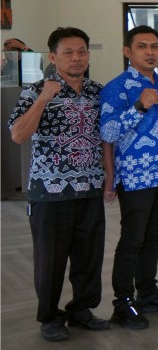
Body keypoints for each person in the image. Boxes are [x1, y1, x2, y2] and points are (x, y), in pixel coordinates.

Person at [8, 27, 110, 342]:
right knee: (50, 261)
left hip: (90, 187)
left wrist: (110, 176)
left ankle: (82, 310)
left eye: (81, 51)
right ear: (53, 57)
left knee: (89, 257)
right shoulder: (35, 90)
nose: (76, 58)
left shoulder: (97, 91)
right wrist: (43, 99)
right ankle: (50, 317)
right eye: (68, 52)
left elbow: (107, 137)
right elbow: (18, 135)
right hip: (49, 192)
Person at [100, 25, 158, 329]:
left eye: (154, 46)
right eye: (142, 46)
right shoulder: (116, 87)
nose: (150, 52)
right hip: (135, 176)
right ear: (128, 51)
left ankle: (147, 292)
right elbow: (107, 132)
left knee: (154, 236)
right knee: (132, 239)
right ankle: (122, 303)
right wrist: (138, 106)